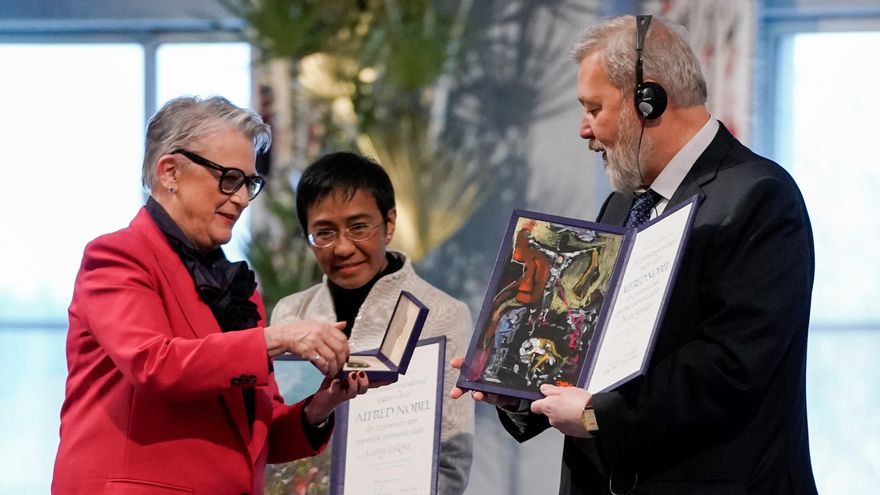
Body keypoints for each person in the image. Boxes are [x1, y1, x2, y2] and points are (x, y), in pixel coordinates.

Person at [452, 14, 818, 495]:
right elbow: (584, 341)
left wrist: (599, 415)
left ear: (648, 100)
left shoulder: (760, 197)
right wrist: (517, 381)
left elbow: (734, 361)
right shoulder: (623, 203)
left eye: (594, 108)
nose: (584, 130)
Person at [52, 96, 370, 495]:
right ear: (170, 171)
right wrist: (278, 338)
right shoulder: (118, 255)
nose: (240, 198)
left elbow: (256, 436)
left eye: (248, 184)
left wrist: (320, 407)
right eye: (229, 178)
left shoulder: (234, 289)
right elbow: (154, 363)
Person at [271, 151, 475, 494]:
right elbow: (277, 439)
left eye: (358, 227)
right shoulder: (292, 314)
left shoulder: (441, 314)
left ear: (389, 224)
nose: (342, 247)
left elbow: (451, 455)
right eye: (324, 233)